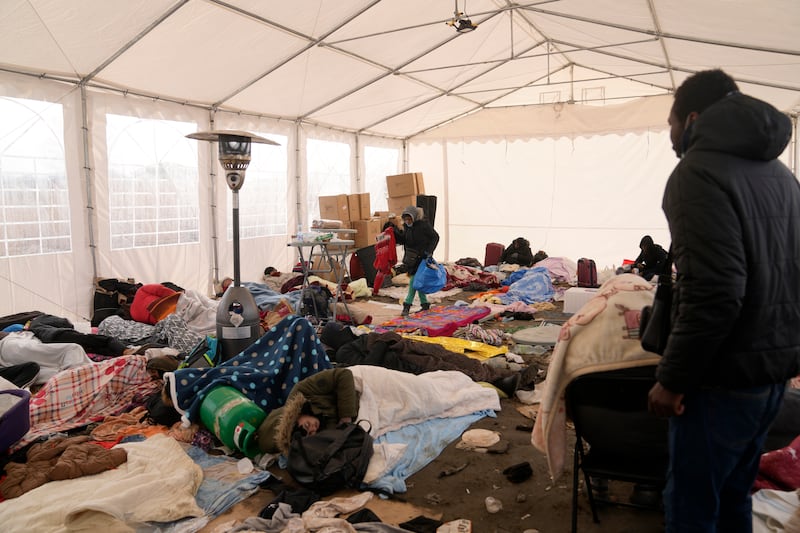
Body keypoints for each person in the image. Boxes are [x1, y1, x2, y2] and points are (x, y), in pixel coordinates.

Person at [647, 69, 800, 531]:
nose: (670, 134)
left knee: (692, 507)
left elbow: (714, 292)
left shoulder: (696, 174)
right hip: (773, 375)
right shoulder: (780, 173)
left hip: (723, 381)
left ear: (692, 119)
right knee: (735, 493)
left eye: (671, 123)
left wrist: (671, 380)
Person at [256, 367, 358, 455]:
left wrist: (345, 416)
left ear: (296, 416)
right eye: (310, 435)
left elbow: (343, 375)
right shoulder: (317, 438)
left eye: (307, 425)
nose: (313, 429)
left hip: (358, 383)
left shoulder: (302, 392)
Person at [385, 206, 440, 316]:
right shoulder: (407, 228)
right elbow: (404, 240)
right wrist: (394, 231)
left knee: (414, 283)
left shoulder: (424, 226)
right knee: (417, 283)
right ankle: (425, 305)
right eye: (405, 219)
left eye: (409, 219)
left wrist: (429, 251)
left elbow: (435, 237)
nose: (407, 221)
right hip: (412, 260)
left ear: (414, 217)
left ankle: (407, 306)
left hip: (422, 259)